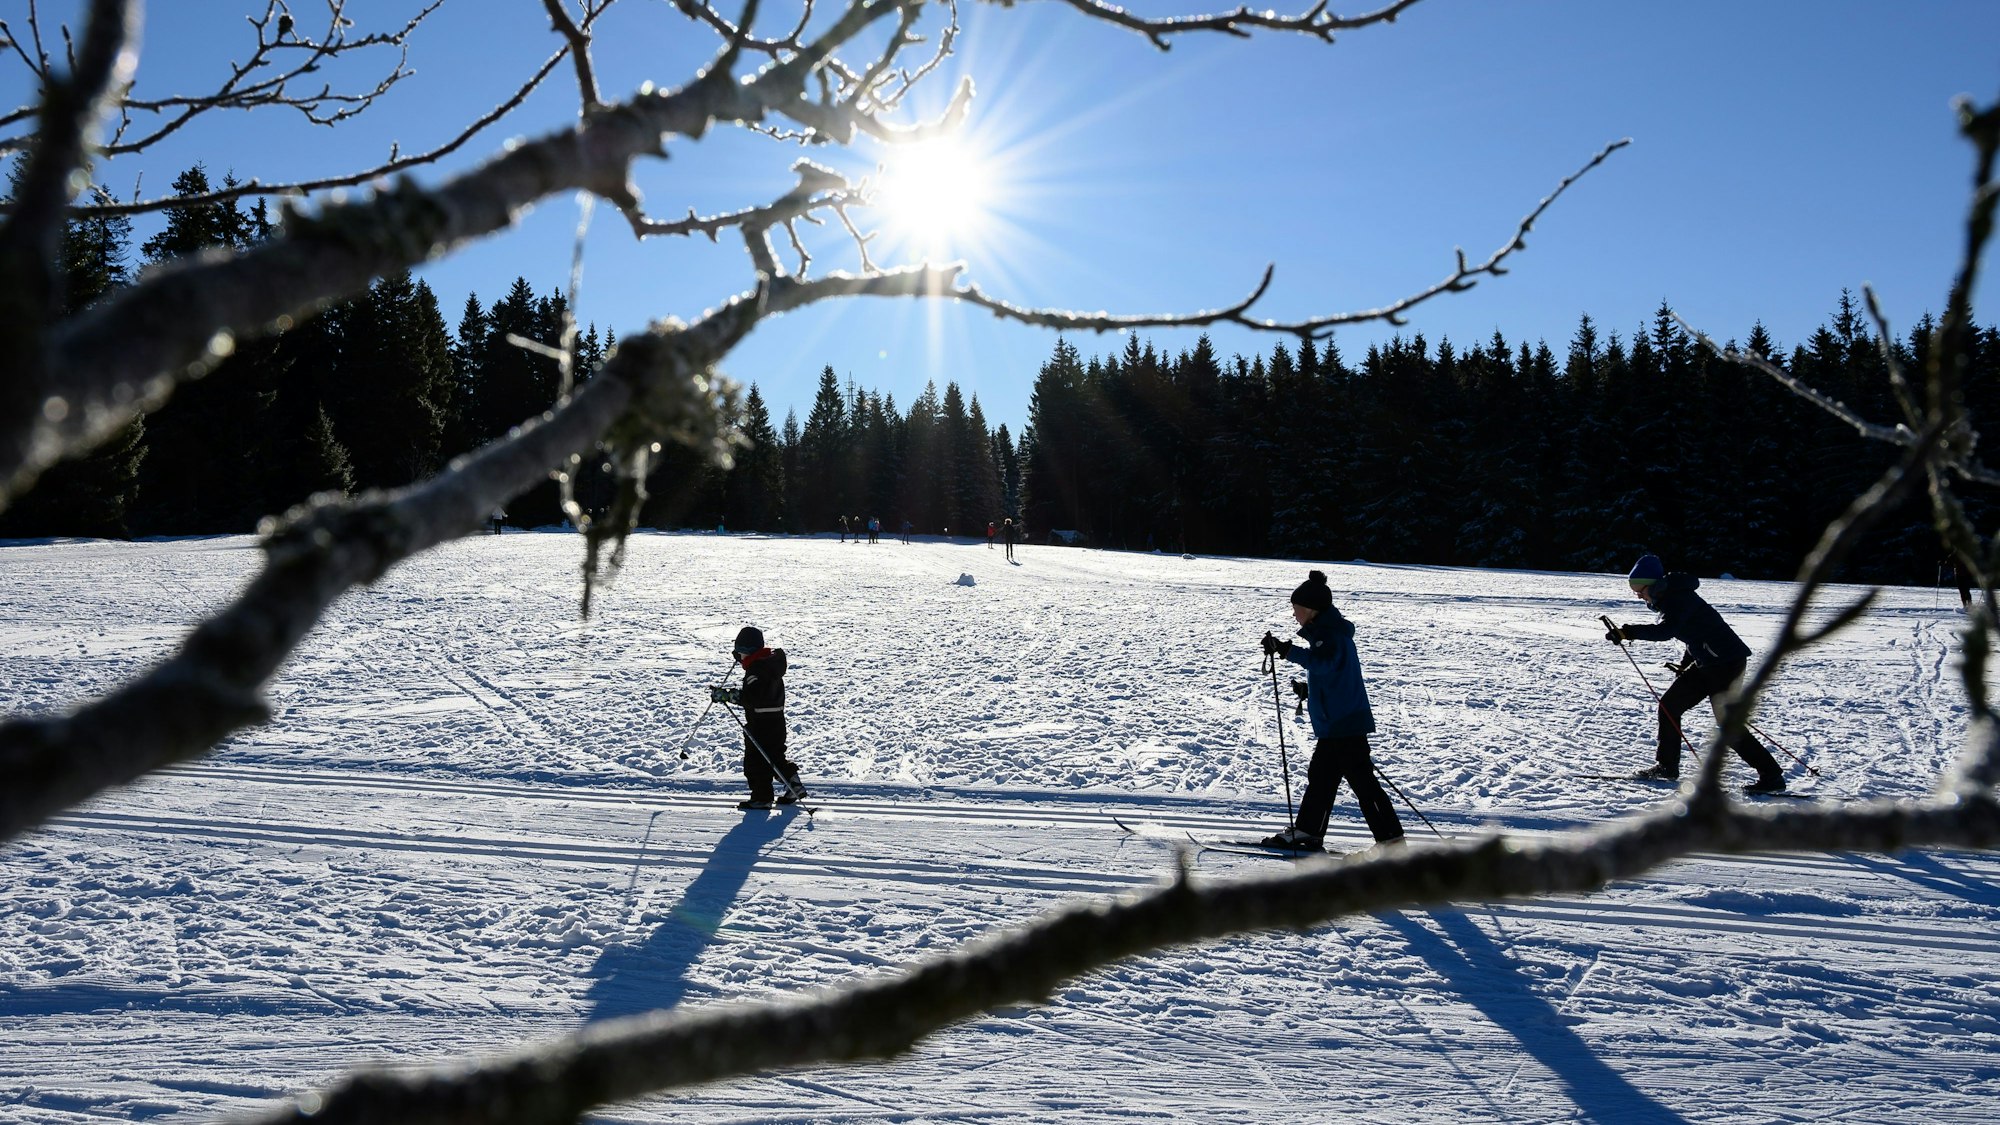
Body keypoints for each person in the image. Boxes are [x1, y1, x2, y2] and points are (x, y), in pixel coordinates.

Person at [1605, 554, 1786, 794]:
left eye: (1640, 590)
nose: (1638, 595)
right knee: (1669, 706)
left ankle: (1772, 776)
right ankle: (1667, 767)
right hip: (1707, 663)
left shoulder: (1678, 597)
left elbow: (1666, 631)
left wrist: (1627, 632)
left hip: (1727, 664)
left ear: (1653, 585)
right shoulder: (1670, 597)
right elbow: (1695, 635)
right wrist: (1685, 664)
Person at [1258, 570, 1403, 851]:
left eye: (1296, 609)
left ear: (1311, 609)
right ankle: (1308, 832)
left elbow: (1323, 664)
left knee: (1362, 784)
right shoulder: (1328, 635)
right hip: (1339, 725)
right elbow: (1334, 676)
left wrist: (1287, 651)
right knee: (1322, 779)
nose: (1294, 614)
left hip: (1344, 726)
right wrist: (1310, 692)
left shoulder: (1330, 636)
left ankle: (1391, 842)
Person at [724, 626, 806, 810]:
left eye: (740, 652)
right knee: (774, 756)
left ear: (748, 651)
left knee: (756, 760)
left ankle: (762, 797)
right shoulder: (769, 664)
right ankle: (794, 785)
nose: (739, 657)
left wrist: (729, 696)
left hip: (760, 722)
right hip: (775, 720)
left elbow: (752, 698)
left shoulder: (756, 671)